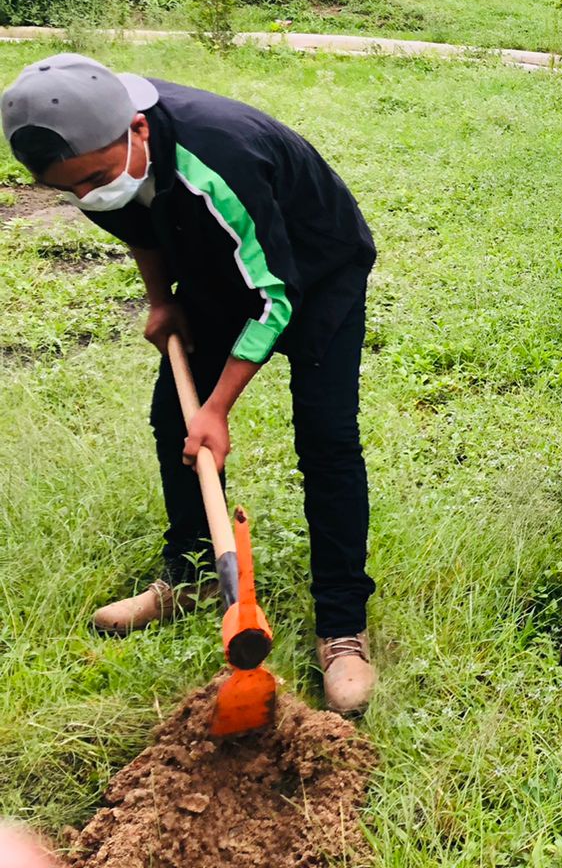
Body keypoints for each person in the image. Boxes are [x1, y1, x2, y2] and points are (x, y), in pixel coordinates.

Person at [1, 55, 379, 715]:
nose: (87, 196)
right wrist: (161, 300)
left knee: (327, 438)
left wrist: (219, 409)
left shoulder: (218, 158)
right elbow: (139, 221)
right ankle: (195, 575)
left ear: (140, 131)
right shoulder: (97, 166)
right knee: (173, 420)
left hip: (316, 269)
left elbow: (275, 299)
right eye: (72, 191)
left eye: (92, 180)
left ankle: (342, 627)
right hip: (215, 262)